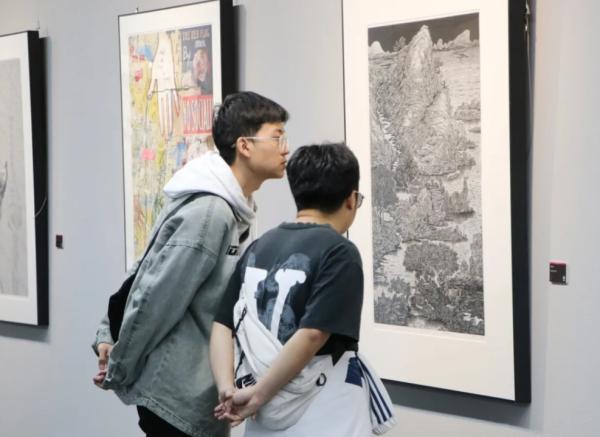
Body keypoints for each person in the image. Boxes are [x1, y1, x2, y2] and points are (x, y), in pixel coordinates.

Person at [92, 91, 290, 437]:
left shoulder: (235, 206)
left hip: (196, 394)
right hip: (175, 398)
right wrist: (119, 366)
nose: (285, 149)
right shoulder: (211, 212)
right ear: (245, 146)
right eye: (277, 137)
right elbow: (155, 294)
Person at [210, 143, 396, 436]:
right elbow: (312, 334)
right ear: (350, 199)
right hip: (321, 409)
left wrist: (227, 387)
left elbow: (222, 324)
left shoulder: (259, 247)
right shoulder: (340, 252)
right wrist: (258, 395)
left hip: (262, 412)